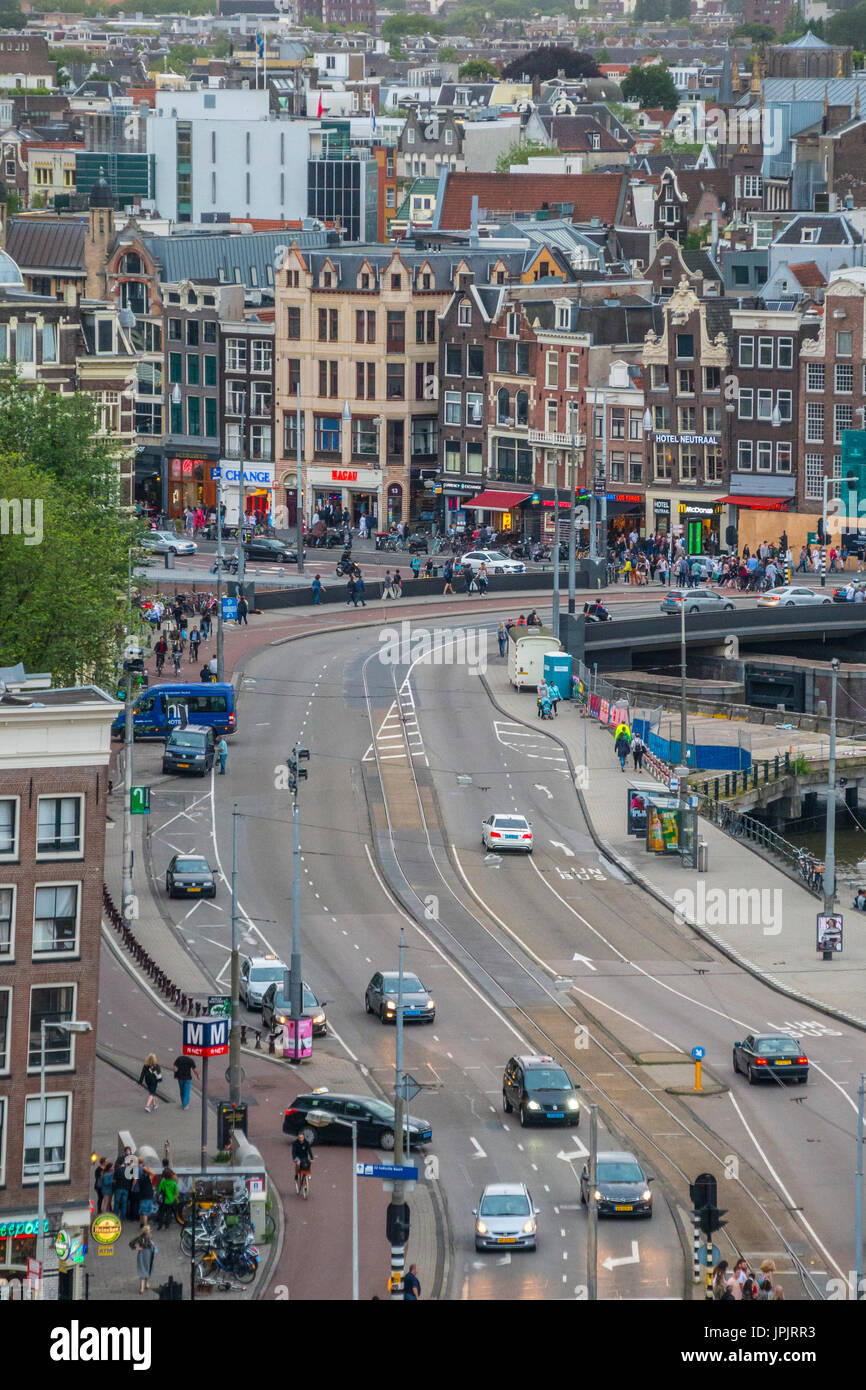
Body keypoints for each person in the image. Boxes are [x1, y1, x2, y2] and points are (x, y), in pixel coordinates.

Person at [130, 1225, 157, 1295]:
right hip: (142, 1255)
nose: (149, 1231)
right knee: (142, 1269)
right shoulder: (140, 1238)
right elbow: (131, 1243)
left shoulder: (150, 1236)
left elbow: (150, 1242)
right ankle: (142, 1287)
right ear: (145, 1231)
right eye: (148, 1230)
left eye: (149, 1230)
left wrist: (152, 1243)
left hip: (149, 1254)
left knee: (148, 1268)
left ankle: (146, 1283)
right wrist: (136, 1248)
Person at [113, 1148, 133, 1221]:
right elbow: (130, 1178)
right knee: (124, 1203)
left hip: (118, 1188)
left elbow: (114, 1179)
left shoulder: (118, 1170)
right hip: (126, 1188)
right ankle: (123, 1217)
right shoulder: (128, 1170)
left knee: (117, 1202)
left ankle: (115, 1215)